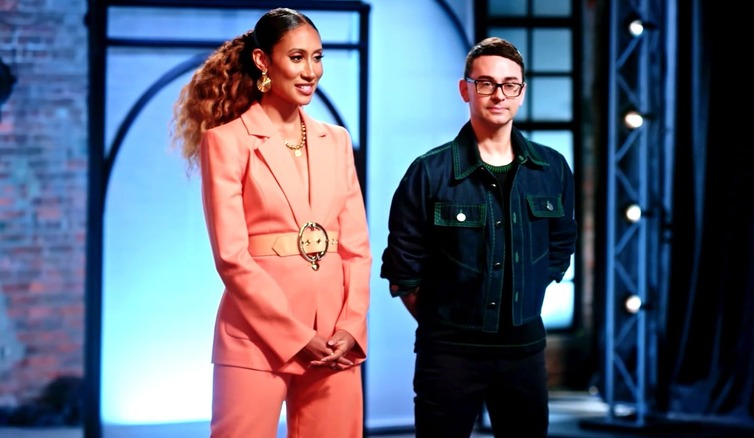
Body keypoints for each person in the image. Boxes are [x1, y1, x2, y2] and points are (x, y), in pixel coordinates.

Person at [170, 8, 371, 438]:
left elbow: (356, 247)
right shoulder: (225, 142)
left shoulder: (335, 141)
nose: (311, 71)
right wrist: (296, 333)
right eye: (297, 57)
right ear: (263, 61)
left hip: (336, 340)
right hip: (255, 336)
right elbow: (231, 256)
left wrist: (352, 327)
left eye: (318, 57)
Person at [380, 37, 577, 438]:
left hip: (524, 353)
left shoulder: (552, 168)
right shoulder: (429, 172)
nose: (498, 94)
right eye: (485, 83)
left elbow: (561, 245)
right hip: (449, 356)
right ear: (465, 89)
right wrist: (449, 322)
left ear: (522, 91)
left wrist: (528, 290)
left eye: (510, 84)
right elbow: (404, 267)